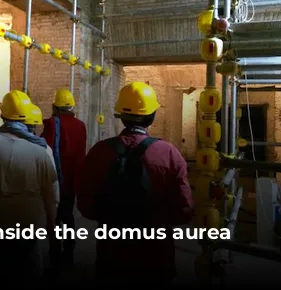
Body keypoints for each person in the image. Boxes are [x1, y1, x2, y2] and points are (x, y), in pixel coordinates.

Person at [77, 81, 194, 286]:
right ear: (151, 116)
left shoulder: (99, 151)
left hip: (112, 253)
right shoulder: (168, 153)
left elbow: (86, 206)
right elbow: (184, 209)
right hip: (156, 255)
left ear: (121, 115)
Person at [0, 90, 59, 287]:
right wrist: (53, 238)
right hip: (27, 224)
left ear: (3, 115)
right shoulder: (41, 150)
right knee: (25, 275)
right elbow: (51, 198)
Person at [41, 88, 87, 266]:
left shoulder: (53, 123)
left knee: (54, 218)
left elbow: (45, 148)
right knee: (68, 215)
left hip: (56, 180)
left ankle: (55, 253)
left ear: (55, 106)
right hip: (73, 180)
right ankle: (69, 251)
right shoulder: (81, 125)